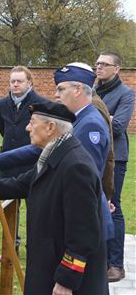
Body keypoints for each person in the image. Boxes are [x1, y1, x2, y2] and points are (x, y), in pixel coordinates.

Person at [0, 101, 108, 294]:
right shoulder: (54, 155)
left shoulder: (75, 166)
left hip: (67, 279)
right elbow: (18, 184)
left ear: (50, 127)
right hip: (48, 263)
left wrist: (67, 280)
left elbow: (83, 231)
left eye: (32, 122)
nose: (27, 127)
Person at [0, 63, 114, 243]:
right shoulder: (76, 119)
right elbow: (41, 148)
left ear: (78, 90)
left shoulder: (89, 125)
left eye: (61, 89)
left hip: (82, 224)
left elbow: (86, 180)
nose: (56, 95)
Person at [0, 65, 48, 261]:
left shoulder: (41, 103)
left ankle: (34, 247)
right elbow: (3, 128)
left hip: (33, 161)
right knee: (9, 207)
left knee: (35, 206)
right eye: (12, 81)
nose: (15, 85)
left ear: (29, 83)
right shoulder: (2, 103)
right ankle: (10, 246)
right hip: (8, 161)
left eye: (19, 81)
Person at [95, 51, 135, 282]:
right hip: (92, 155)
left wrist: (96, 114)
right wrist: (105, 116)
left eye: (104, 64)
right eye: (97, 63)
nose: (99, 67)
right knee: (92, 204)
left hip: (115, 157)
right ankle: (96, 257)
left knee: (113, 206)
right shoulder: (91, 90)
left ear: (116, 69)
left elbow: (118, 127)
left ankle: (115, 264)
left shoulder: (126, 94)